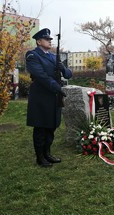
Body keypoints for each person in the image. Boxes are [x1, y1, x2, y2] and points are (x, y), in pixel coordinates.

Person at [25, 28, 72, 167]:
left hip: (53, 96)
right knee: (41, 126)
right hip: (41, 95)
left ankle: (47, 153)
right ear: (39, 41)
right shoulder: (32, 56)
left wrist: (62, 68)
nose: (50, 41)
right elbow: (41, 76)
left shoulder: (53, 57)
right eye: (47, 39)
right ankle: (40, 157)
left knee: (51, 125)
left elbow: (69, 74)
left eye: (50, 39)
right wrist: (57, 87)